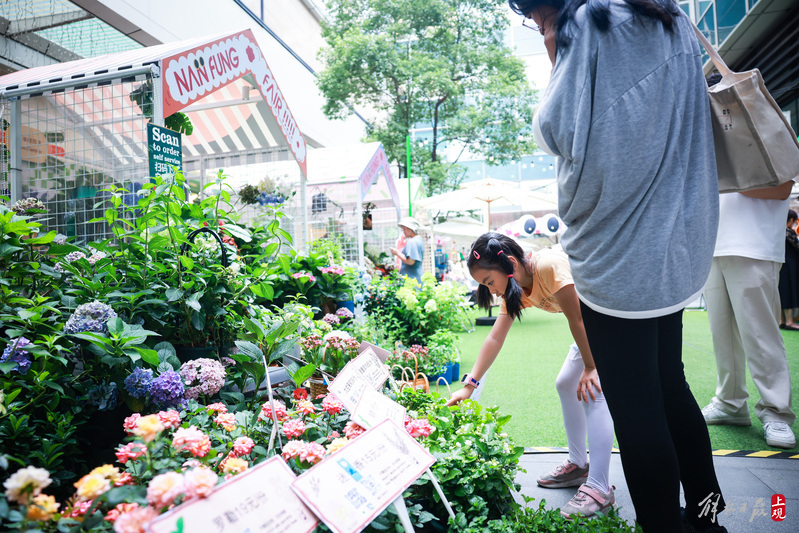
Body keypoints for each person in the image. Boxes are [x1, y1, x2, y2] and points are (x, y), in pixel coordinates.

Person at [508, 0, 726, 531]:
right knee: (670, 387)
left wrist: (554, 48)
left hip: (619, 254)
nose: (537, 25)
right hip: (677, 241)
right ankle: (708, 516)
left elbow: (554, 129)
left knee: (636, 407)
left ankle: (663, 525)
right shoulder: (667, 14)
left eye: (535, 16)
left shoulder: (590, 23)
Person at [447, 233, 616, 520]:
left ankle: (600, 487)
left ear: (510, 263)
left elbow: (577, 319)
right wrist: (469, 386)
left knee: (594, 391)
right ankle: (579, 465)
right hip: (592, 328)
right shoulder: (517, 290)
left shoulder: (548, 266)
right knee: (565, 383)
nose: (491, 289)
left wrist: (591, 367)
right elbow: (494, 339)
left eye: (489, 281)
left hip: (613, 320)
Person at [779, 209, 799, 330]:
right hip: (790, 266)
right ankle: (790, 322)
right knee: (790, 290)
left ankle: (782, 320)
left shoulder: (778, 230)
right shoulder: (788, 232)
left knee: (782, 291)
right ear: (791, 220)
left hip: (781, 264)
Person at [390, 217, 425, 283]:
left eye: (405, 229)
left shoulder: (412, 242)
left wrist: (397, 253)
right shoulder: (419, 239)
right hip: (417, 277)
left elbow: (410, 261)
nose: (404, 232)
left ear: (411, 229)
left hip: (412, 279)